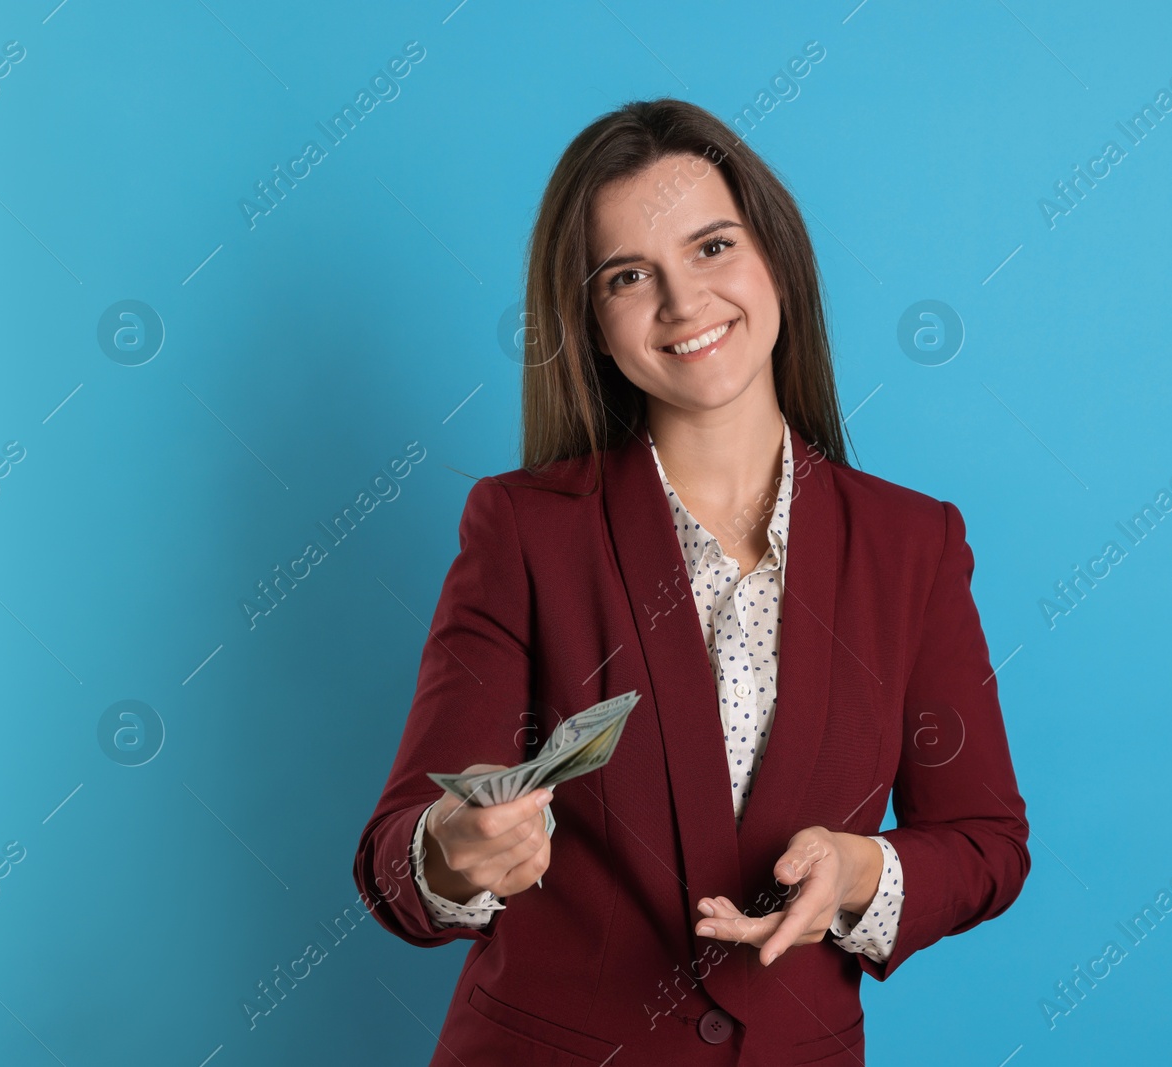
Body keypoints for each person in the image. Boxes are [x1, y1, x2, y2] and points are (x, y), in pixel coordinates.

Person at [352, 97, 1030, 1066]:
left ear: (775, 256)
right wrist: (451, 851)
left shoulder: (912, 540)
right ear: (589, 318)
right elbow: (395, 857)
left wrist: (859, 867)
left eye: (711, 247)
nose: (682, 302)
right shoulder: (524, 527)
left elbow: (985, 841)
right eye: (630, 275)